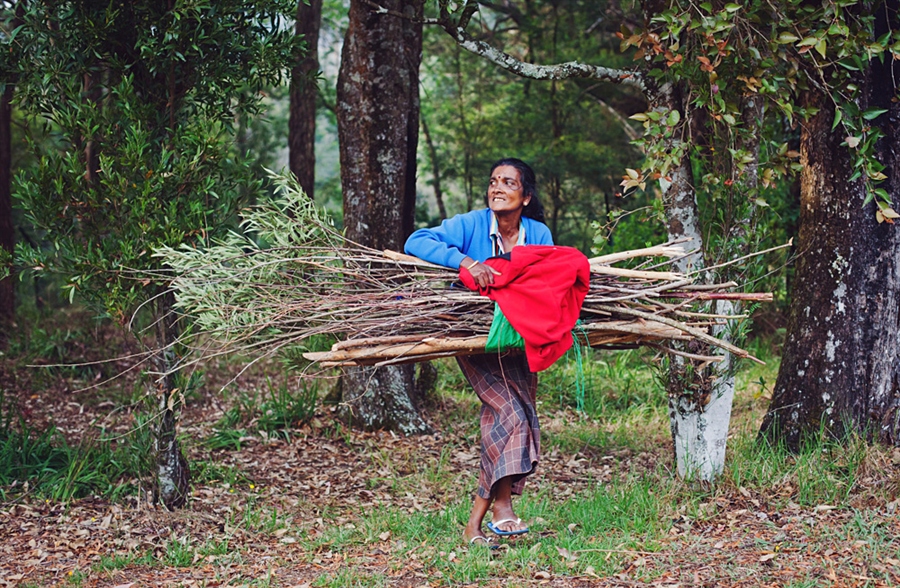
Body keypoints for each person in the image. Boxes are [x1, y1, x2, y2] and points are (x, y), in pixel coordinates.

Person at [404, 158, 552, 547]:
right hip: (476, 338)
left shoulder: (538, 233)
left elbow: (549, 281)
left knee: (507, 419)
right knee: (511, 413)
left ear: (526, 196)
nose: (497, 188)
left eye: (508, 182)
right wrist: (466, 261)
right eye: (493, 182)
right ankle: (502, 506)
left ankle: (474, 527)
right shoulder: (470, 224)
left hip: (520, 339)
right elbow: (416, 240)